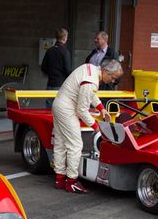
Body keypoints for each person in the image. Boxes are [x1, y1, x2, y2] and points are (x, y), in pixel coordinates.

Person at [52, 59, 123, 193]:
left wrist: (102, 109)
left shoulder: (90, 69)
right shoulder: (92, 81)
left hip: (59, 104)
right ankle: (71, 182)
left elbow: (89, 95)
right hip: (67, 108)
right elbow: (82, 110)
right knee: (75, 145)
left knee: (60, 143)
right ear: (106, 71)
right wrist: (97, 127)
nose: (112, 81)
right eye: (113, 78)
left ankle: (59, 179)